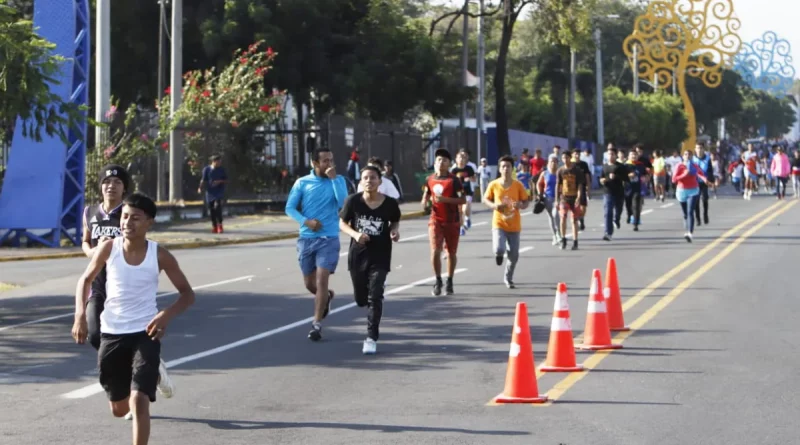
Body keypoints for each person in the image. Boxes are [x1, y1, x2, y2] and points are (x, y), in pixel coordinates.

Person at [71, 193, 194, 444]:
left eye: (135, 218)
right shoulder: (108, 248)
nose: (127, 222)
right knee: (119, 409)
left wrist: (165, 315)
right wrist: (80, 315)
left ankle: (149, 378)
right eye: (125, 217)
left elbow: (187, 294)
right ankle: (154, 375)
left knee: (139, 401)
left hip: (145, 332)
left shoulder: (160, 255)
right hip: (112, 333)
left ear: (149, 222)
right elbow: (85, 280)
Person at [285, 147, 348, 341]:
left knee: (322, 280)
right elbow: (289, 208)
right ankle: (327, 297)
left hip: (329, 238)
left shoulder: (338, 180)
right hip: (307, 238)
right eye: (325, 161)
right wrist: (306, 221)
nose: (329, 164)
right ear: (315, 163)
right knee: (310, 284)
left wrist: (334, 180)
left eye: (331, 160)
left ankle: (316, 324)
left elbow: (344, 204)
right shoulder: (302, 183)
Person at [339, 166, 401, 355]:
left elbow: (395, 220)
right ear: (361, 182)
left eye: (373, 178)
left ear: (379, 181)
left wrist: (394, 231)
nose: (369, 181)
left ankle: (371, 337)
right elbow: (341, 222)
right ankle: (363, 299)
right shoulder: (353, 201)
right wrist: (356, 234)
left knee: (375, 295)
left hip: (380, 255)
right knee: (360, 299)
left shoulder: (389, 203)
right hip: (358, 255)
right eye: (365, 178)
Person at [422, 149, 466, 296]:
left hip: (452, 221)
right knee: (435, 250)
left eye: (445, 160)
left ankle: (450, 280)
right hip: (435, 220)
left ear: (449, 164)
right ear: (435, 163)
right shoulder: (429, 179)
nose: (441, 162)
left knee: (451, 253)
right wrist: (425, 203)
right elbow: (427, 194)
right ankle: (438, 280)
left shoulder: (454, 181)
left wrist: (445, 200)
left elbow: (462, 200)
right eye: (439, 160)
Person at [483, 155, 530, 289]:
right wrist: (494, 206)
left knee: (514, 256)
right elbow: (485, 199)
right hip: (499, 223)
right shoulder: (494, 184)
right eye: (503, 166)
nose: (506, 169)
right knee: (499, 248)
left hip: (514, 225)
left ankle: (508, 278)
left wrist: (520, 205)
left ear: (512, 169)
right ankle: (499, 254)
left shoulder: (518, 185)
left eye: (508, 166)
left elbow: (526, 201)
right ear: (499, 169)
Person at [672, 150, 706, 242]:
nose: (688, 156)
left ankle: (690, 233)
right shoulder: (679, 166)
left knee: (690, 211)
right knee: (685, 214)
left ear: (692, 156)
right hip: (681, 191)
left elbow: (700, 174)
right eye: (686, 154)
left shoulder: (694, 165)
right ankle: (687, 231)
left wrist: (705, 180)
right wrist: (684, 174)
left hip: (693, 190)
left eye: (690, 155)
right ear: (683, 156)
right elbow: (674, 180)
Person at [556, 150, 585, 250]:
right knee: (563, 218)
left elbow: (580, 185)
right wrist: (556, 199)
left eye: (567, 158)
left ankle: (575, 241)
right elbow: (558, 185)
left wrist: (578, 197)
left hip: (574, 198)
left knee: (574, 220)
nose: (565, 160)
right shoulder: (560, 170)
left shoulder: (577, 171)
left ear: (570, 158)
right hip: (564, 198)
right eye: (563, 158)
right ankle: (563, 240)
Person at [599, 147, 628, 241]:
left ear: (616, 155)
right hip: (608, 191)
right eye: (609, 154)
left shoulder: (620, 166)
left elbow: (626, 178)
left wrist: (616, 176)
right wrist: (602, 180)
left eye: (612, 154)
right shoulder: (604, 166)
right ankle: (608, 233)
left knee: (618, 210)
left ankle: (617, 219)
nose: (610, 156)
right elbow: (601, 178)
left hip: (619, 192)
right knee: (608, 212)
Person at [197, 154, 228, 234]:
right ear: (213, 162)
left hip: (219, 191)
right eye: (218, 162)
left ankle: (220, 225)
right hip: (210, 191)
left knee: (217, 206)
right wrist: (200, 188)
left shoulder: (221, 170)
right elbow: (203, 180)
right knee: (212, 210)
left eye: (220, 162)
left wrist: (219, 181)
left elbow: (226, 180)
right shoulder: (206, 169)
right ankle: (214, 226)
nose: (219, 163)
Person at [536, 156, 562, 245]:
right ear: (548, 163)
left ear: (558, 163)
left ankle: (559, 233)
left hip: (558, 198)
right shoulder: (545, 173)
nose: (553, 163)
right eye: (551, 161)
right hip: (548, 198)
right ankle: (554, 236)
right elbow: (538, 184)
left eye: (555, 161)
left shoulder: (560, 173)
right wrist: (540, 193)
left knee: (556, 214)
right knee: (551, 216)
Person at [451, 150, 476, 234]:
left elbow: (474, 178)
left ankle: (467, 218)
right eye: (459, 158)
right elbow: (450, 182)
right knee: (459, 211)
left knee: (465, 209)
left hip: (467, 191)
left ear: (465, 159)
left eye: (463, 158)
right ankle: (461, 227)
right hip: (458, 193)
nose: (461, 159)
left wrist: (469, 179)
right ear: (456, 159)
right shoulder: (454, 170)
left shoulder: (469, 169)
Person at [625, 151, 647, 231]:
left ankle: (635, 223)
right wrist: (629, 175)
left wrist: (645, 178)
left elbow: (645, 174)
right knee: (628, 205)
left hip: (637, 188)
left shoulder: (640, 165)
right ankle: (629, 214)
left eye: (635, 155)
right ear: (628, 156)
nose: (633, 156)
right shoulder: (625, 165)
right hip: (627, 189)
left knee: (636, 206)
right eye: (632, 154)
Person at [692, 143, 714, 225]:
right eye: (697, 148)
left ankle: (705, 215)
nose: (699, 150)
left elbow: (710, 171)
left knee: (705, 198)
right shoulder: (693, 159)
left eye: (701, 148)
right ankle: (697, 218)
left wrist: (711, 181)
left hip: (704, 182)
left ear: (703, 149)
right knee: (696, 201)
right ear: (695, 149)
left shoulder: (707, 159)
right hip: (695, 183)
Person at [572, 150, 592, 231]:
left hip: (582, 186)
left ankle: (581, 218)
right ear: (572, 155)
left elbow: (587, 176)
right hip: (572, 188)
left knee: (583, 206)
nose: (577, 155)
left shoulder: (584, 164)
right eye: (575, 153)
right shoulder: (570, 164)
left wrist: (589, 189)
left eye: (578, 154)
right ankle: (577, 219)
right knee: (575, 205)